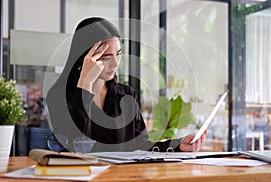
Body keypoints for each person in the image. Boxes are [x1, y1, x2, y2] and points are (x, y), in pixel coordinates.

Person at [46, 17, 207, 153]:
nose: (115, 63)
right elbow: (76, 146)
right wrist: (86, 82)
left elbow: (141, 145)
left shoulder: (126, 94)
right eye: (107, 56)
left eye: (118, 54)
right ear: (85, 57)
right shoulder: (58, 96)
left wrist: (178, 145)